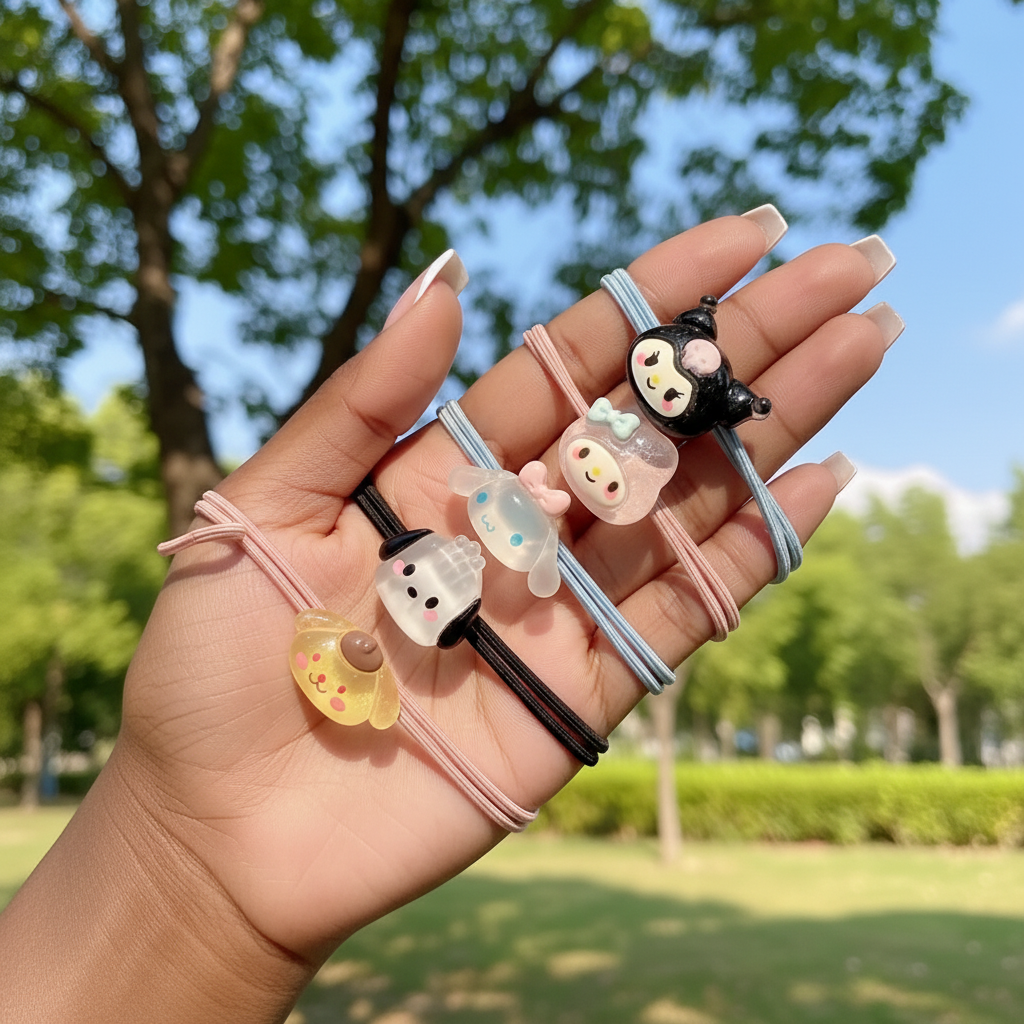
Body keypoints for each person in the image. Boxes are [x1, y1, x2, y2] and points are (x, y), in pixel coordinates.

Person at [0, 212, 899, 1023]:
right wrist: (176, 840)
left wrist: (202, 896)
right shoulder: (473, 532)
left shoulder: (611, 472)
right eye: (659, 366)